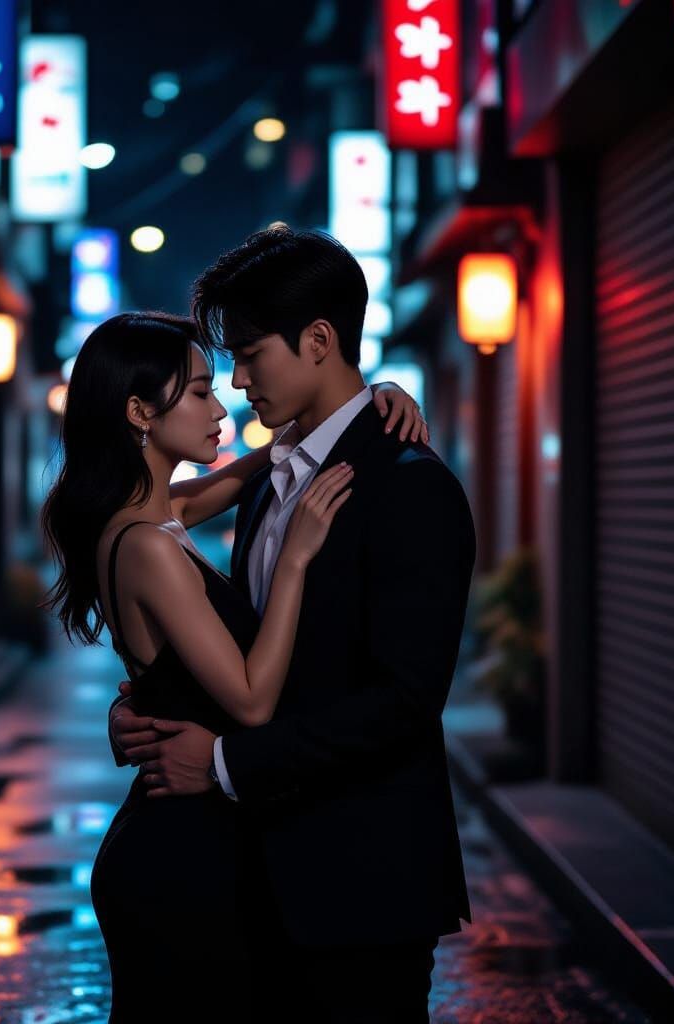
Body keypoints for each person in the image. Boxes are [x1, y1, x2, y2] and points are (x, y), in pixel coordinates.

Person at [108, 227, 476, 1023]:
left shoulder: (409, 487)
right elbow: (238, 638)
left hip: (361, 886)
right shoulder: (275, 477)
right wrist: (151, 696)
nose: (238, 381)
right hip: (245, 883)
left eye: (249, 354)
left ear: (318, 340)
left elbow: (405, 700)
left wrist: (226, 761)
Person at [39, 308, 424, 1023]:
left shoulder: (157, 516)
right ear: (138, 413)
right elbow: (249, 701)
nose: (224, 407)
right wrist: (297, 560)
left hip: (193, 840)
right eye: (198, 392)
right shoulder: (149, 546)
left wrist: (374, 401)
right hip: (177, 854)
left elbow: (261, 467)